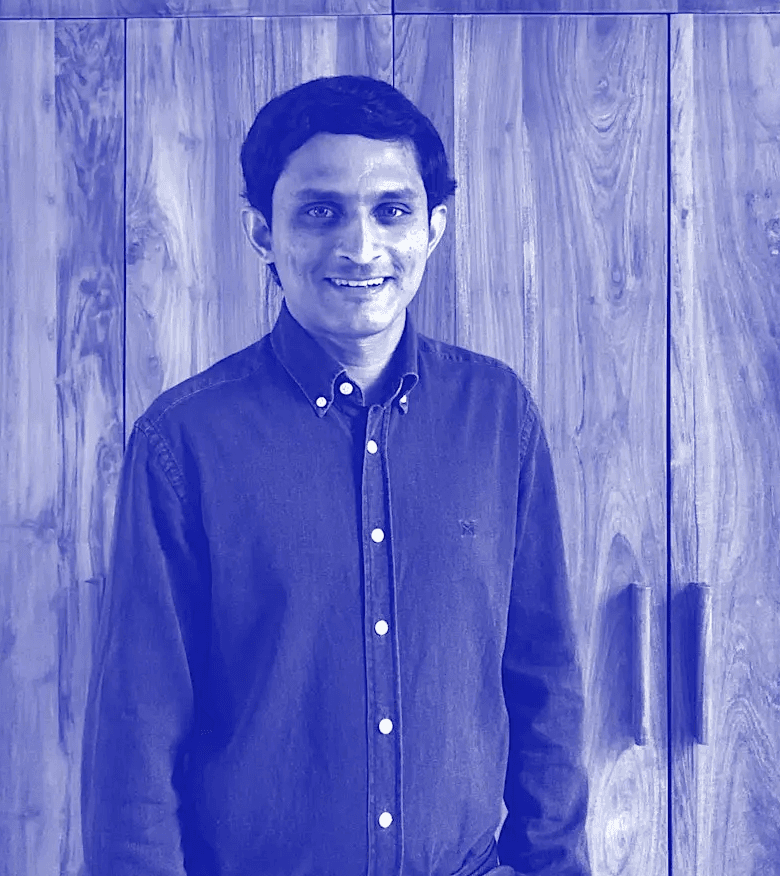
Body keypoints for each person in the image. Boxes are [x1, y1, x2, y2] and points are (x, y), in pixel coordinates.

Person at [81, 75, 591, 876]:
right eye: (320, 211)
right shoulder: (183, 442)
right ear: (261, 232)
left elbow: (544, 680)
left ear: (434, 229)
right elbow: (136, 735)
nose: (360, 246)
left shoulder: (498, 415)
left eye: (392, 210)